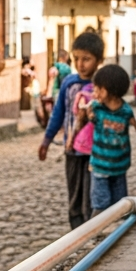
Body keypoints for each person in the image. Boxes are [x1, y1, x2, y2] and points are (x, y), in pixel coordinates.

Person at [38, 31, 105, 228]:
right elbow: (58, 113)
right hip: (73, 150)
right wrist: (46, 141)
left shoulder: (102, 85)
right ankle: (76, 231)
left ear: (99, 60)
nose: (81, 64)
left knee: (94, 193)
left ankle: (93, 227)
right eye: (77, 59)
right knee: (75, 192)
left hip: (97, 151)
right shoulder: (69, 83)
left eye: (87, 59)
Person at [78, 64, 136, 211]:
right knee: (100, 206)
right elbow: (83, 122)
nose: (94, 93)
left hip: (120, 167)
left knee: (121, 206)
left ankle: (119, 233)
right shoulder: (96, 108)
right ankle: (96, 233)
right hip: (99, 166)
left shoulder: (125, 111)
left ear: (107, 91)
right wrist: (84, 114)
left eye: (97, 89)